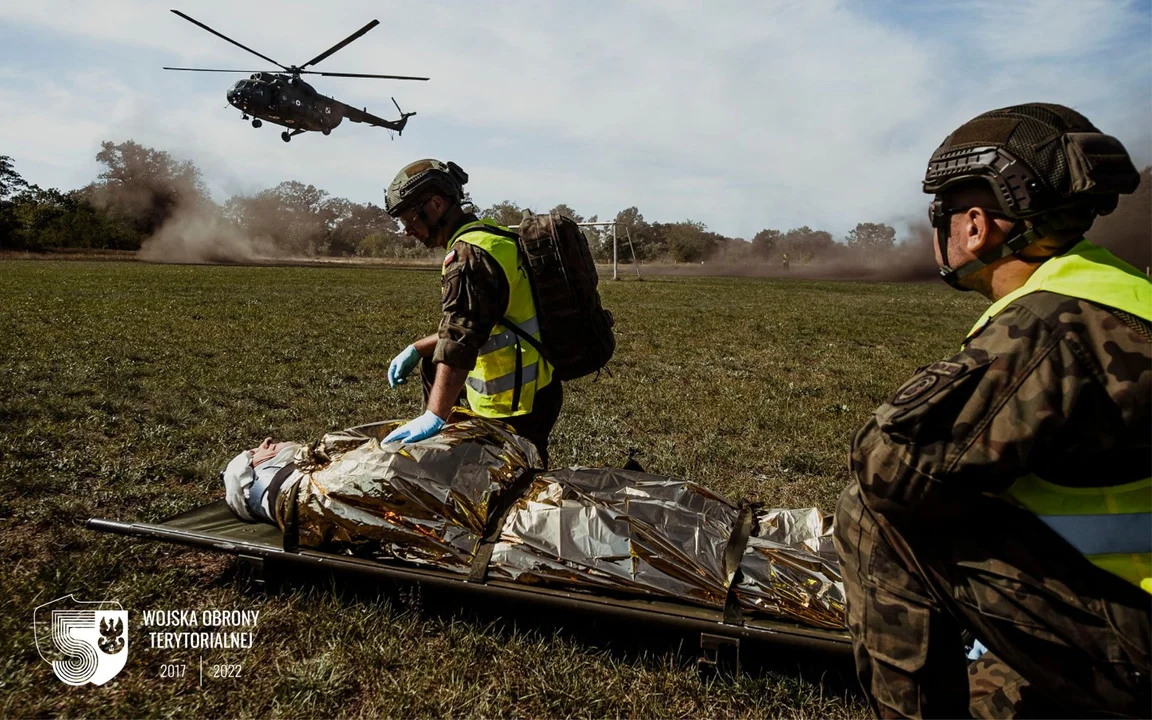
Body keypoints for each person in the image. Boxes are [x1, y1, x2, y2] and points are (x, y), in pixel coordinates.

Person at [833, 103, 1150, 717]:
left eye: (944, 214)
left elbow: (888, 467)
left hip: (1134, 645)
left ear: (976, 225)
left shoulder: (1047, 324)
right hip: (1124, 605)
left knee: (876, 514)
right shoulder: (1122, 291)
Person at [380, 159, 563, 467]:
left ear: (437, 204)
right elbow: (482, 320)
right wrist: (416, 349)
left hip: (512, 405)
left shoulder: (468, 255)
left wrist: (434, 415)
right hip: (538, 388)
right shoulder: (490, 236)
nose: (407, 231)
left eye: (410, 218)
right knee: (430, 362)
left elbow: (460, 337)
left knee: (511, 493)